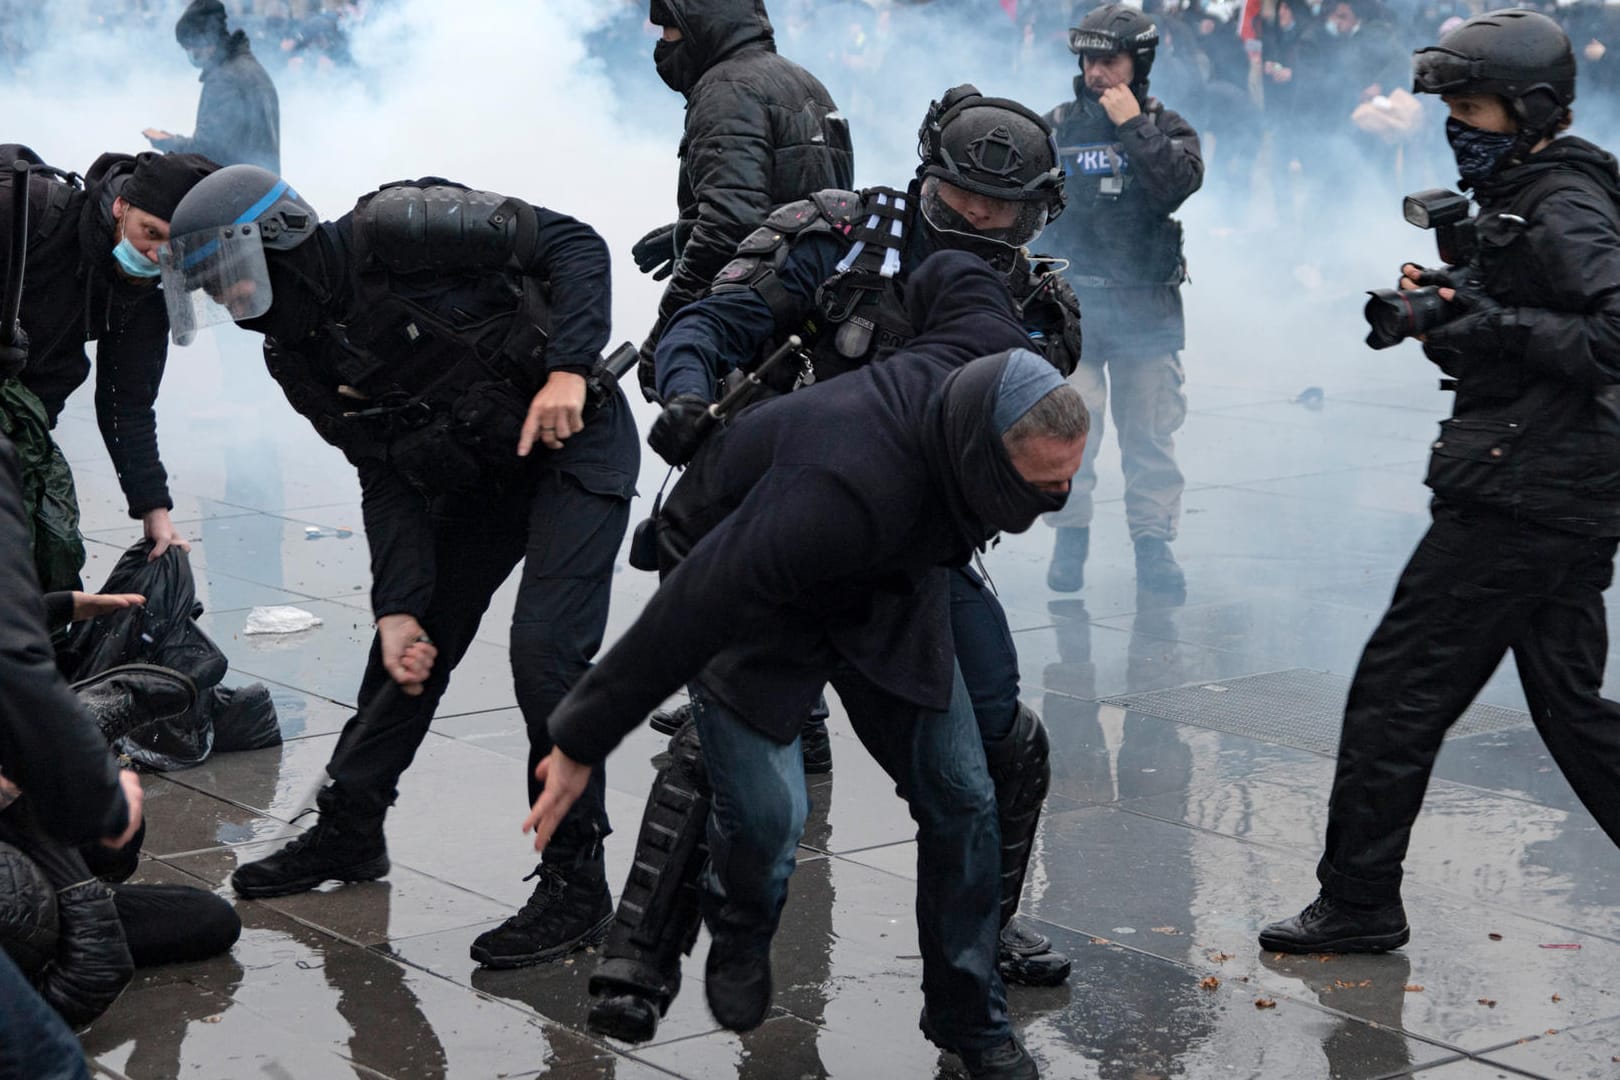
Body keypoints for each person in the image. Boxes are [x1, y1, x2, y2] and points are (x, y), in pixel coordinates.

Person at [590, 84, 1079, 1048]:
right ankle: (638, 953)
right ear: (924, 180)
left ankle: (980, 922)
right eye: (959, 202)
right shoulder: (840, 237)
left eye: (1001, 211)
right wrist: (687, 395)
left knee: (1002, 739)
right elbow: (706, 326)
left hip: (908, 563)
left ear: (1036, 211)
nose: (978, 223)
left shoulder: (1038, 303)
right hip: (781, 528)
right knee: (728, 728)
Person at [159, 165, 641, 972]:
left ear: (281, 243)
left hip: (570, 442)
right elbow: (384, 473)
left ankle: (574, 883)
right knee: (406, 655)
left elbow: (573, 244)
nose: (232, 305)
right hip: (474, 476)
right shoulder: (297, 355)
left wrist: (567, 363)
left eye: (236, 282)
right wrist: (398, 606)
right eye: (217, 292)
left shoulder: (398, 226)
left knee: (546, 655)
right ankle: (349, 831)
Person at [1260, 9, 1620, 954]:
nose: (1460, 125)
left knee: (1396, 692)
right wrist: (1461, 317)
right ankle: (1361, 898)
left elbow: (1613, 336)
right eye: (1452, 108)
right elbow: (1544, 333)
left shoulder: (1564, 202)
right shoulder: (1534, 194)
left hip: (1526, 493)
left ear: (1530, 109)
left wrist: (1494, 324)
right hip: (1555, 482)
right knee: (1574, 711)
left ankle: (1360, 901)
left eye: (1476, 108)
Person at [0, 432, 239, 1068]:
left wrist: (59, 607)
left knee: (206, 918)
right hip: (24, 894)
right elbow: (94, 972)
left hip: (32, 871)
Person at [0, 146, 219, 592]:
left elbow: (127, 402)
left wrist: (153, 508)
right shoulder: (26, 211)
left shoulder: (147, 290)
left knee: (50, 556)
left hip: (26, 423)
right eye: (150, 232)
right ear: (121, 207)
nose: (157, 255)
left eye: (172, 249)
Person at [1040, 4, 1204, 595]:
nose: (1095, 74)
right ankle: (1071, 535)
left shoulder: (1170, 127)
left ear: (1139, 63)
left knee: (1151, 437)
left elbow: (1176, 187)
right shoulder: (1055, 127)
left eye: (1109, 60)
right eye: (1087, 61)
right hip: (1074, 310)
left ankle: (1153, 546)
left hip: (1146, 309)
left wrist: (1134, 126)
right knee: (1070, 431)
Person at [632, 0, 854, 395]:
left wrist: (670, 332)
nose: (663, 41)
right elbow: (802, 204)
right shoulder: (803, 79)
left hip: (754, 335)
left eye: (670, 27)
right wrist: (688, 230)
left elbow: (729, 228)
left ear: (703, 25)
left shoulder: (726, 90)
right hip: (812, 326)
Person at [145, 0, 281, 174]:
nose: (191, 55)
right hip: (264, 186)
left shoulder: (224, 79)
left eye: (191, 47)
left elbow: (207, 152)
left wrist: (167, 142)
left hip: (239, 189)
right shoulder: (250, 66)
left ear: (205, 41)